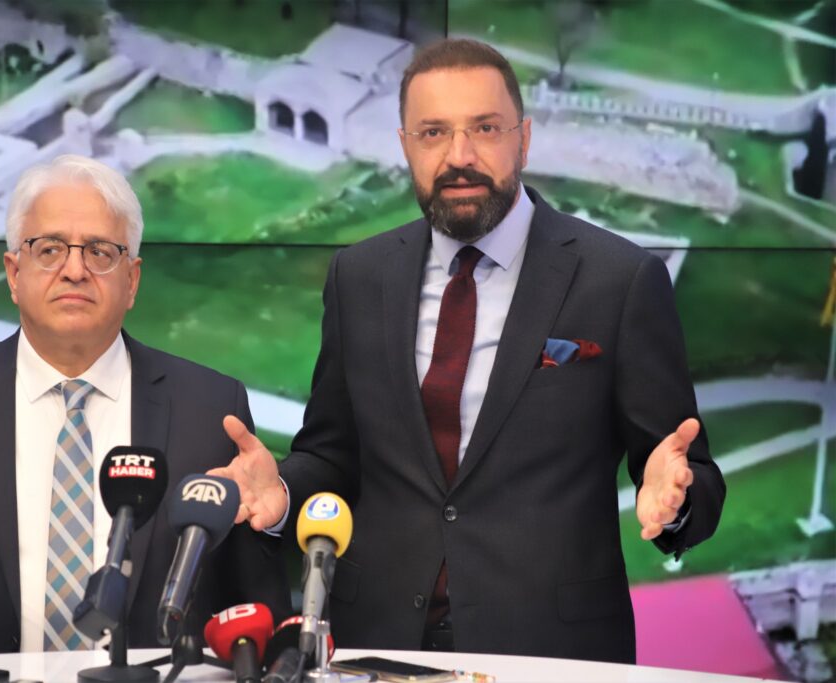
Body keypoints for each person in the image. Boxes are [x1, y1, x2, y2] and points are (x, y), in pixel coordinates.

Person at [212, 39, 725, 663]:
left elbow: (690, 473)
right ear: (406, 146)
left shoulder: (619, 279)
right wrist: (282, 495)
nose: (459, 156)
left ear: (523, 140)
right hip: (376, 643)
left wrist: (675, 500)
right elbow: (333, 454)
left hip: (552, 651)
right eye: (433, 132)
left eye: (485, 128)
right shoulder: (359, 275)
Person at [0, 155, 290, 663]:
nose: (74, 270)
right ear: (14, 273)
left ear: (133, 281)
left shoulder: (210, 410)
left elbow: (256, 618)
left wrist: (268, 523)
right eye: (50, 249)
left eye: (100, 252)